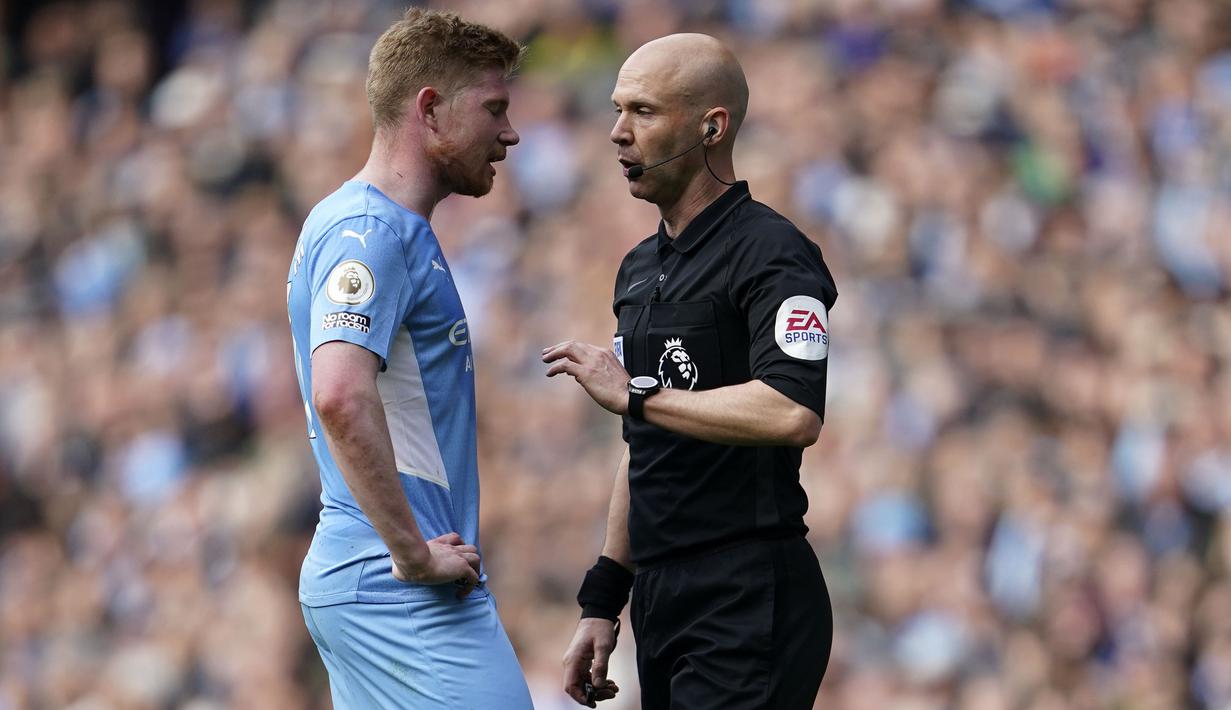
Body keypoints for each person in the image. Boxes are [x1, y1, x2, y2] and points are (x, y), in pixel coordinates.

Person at [544, 33, 837, 709]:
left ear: (711, 126)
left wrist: (639, 395)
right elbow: (641, 443)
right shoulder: (638, 268)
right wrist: (602, 599)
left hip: (748, 591)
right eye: (617, 111)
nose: (617, 133)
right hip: (660, 597)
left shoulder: (773, 253)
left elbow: (792, 411)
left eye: (642, 112)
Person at [285, 9, 532, 709]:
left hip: (371, 579)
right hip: (396, 587)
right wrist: (412, 552)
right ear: (429, 109)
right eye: (493, 109)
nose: (509, 133)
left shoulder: (366, 223)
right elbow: (339, 393)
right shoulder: (371, 232)